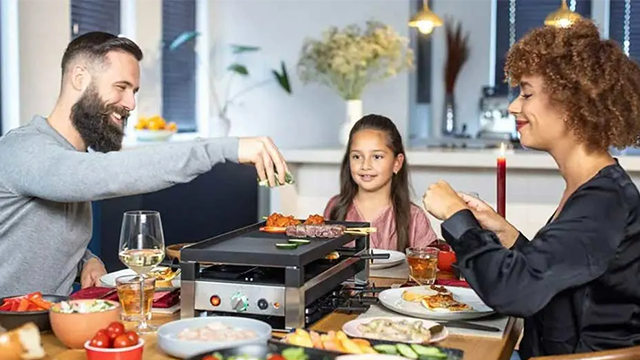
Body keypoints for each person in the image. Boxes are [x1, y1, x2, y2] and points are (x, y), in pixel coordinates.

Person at [0, 32, 288, 298]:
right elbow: (107, 174)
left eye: (134, 91)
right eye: (121, 87)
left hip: (48, 329)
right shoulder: (23, 150)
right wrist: (224, 147)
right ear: (79, 78)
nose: (131, 103)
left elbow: (38, 234)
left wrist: (86, 260)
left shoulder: (71, 160)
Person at [422, 20, 640, 359]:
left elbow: (514, 292)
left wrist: (456, 216)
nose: (513, 106)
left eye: (526, 93)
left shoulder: (604, 202)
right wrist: (505, 233)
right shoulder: (594, 188)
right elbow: (556, 275)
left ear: (570, 105)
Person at [324, 115, 437, 252]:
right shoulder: (335, 207)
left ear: (397, 163)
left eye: (377, 157)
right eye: (357, 156)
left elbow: (428, 265)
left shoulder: (414, 218)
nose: (365, 165)